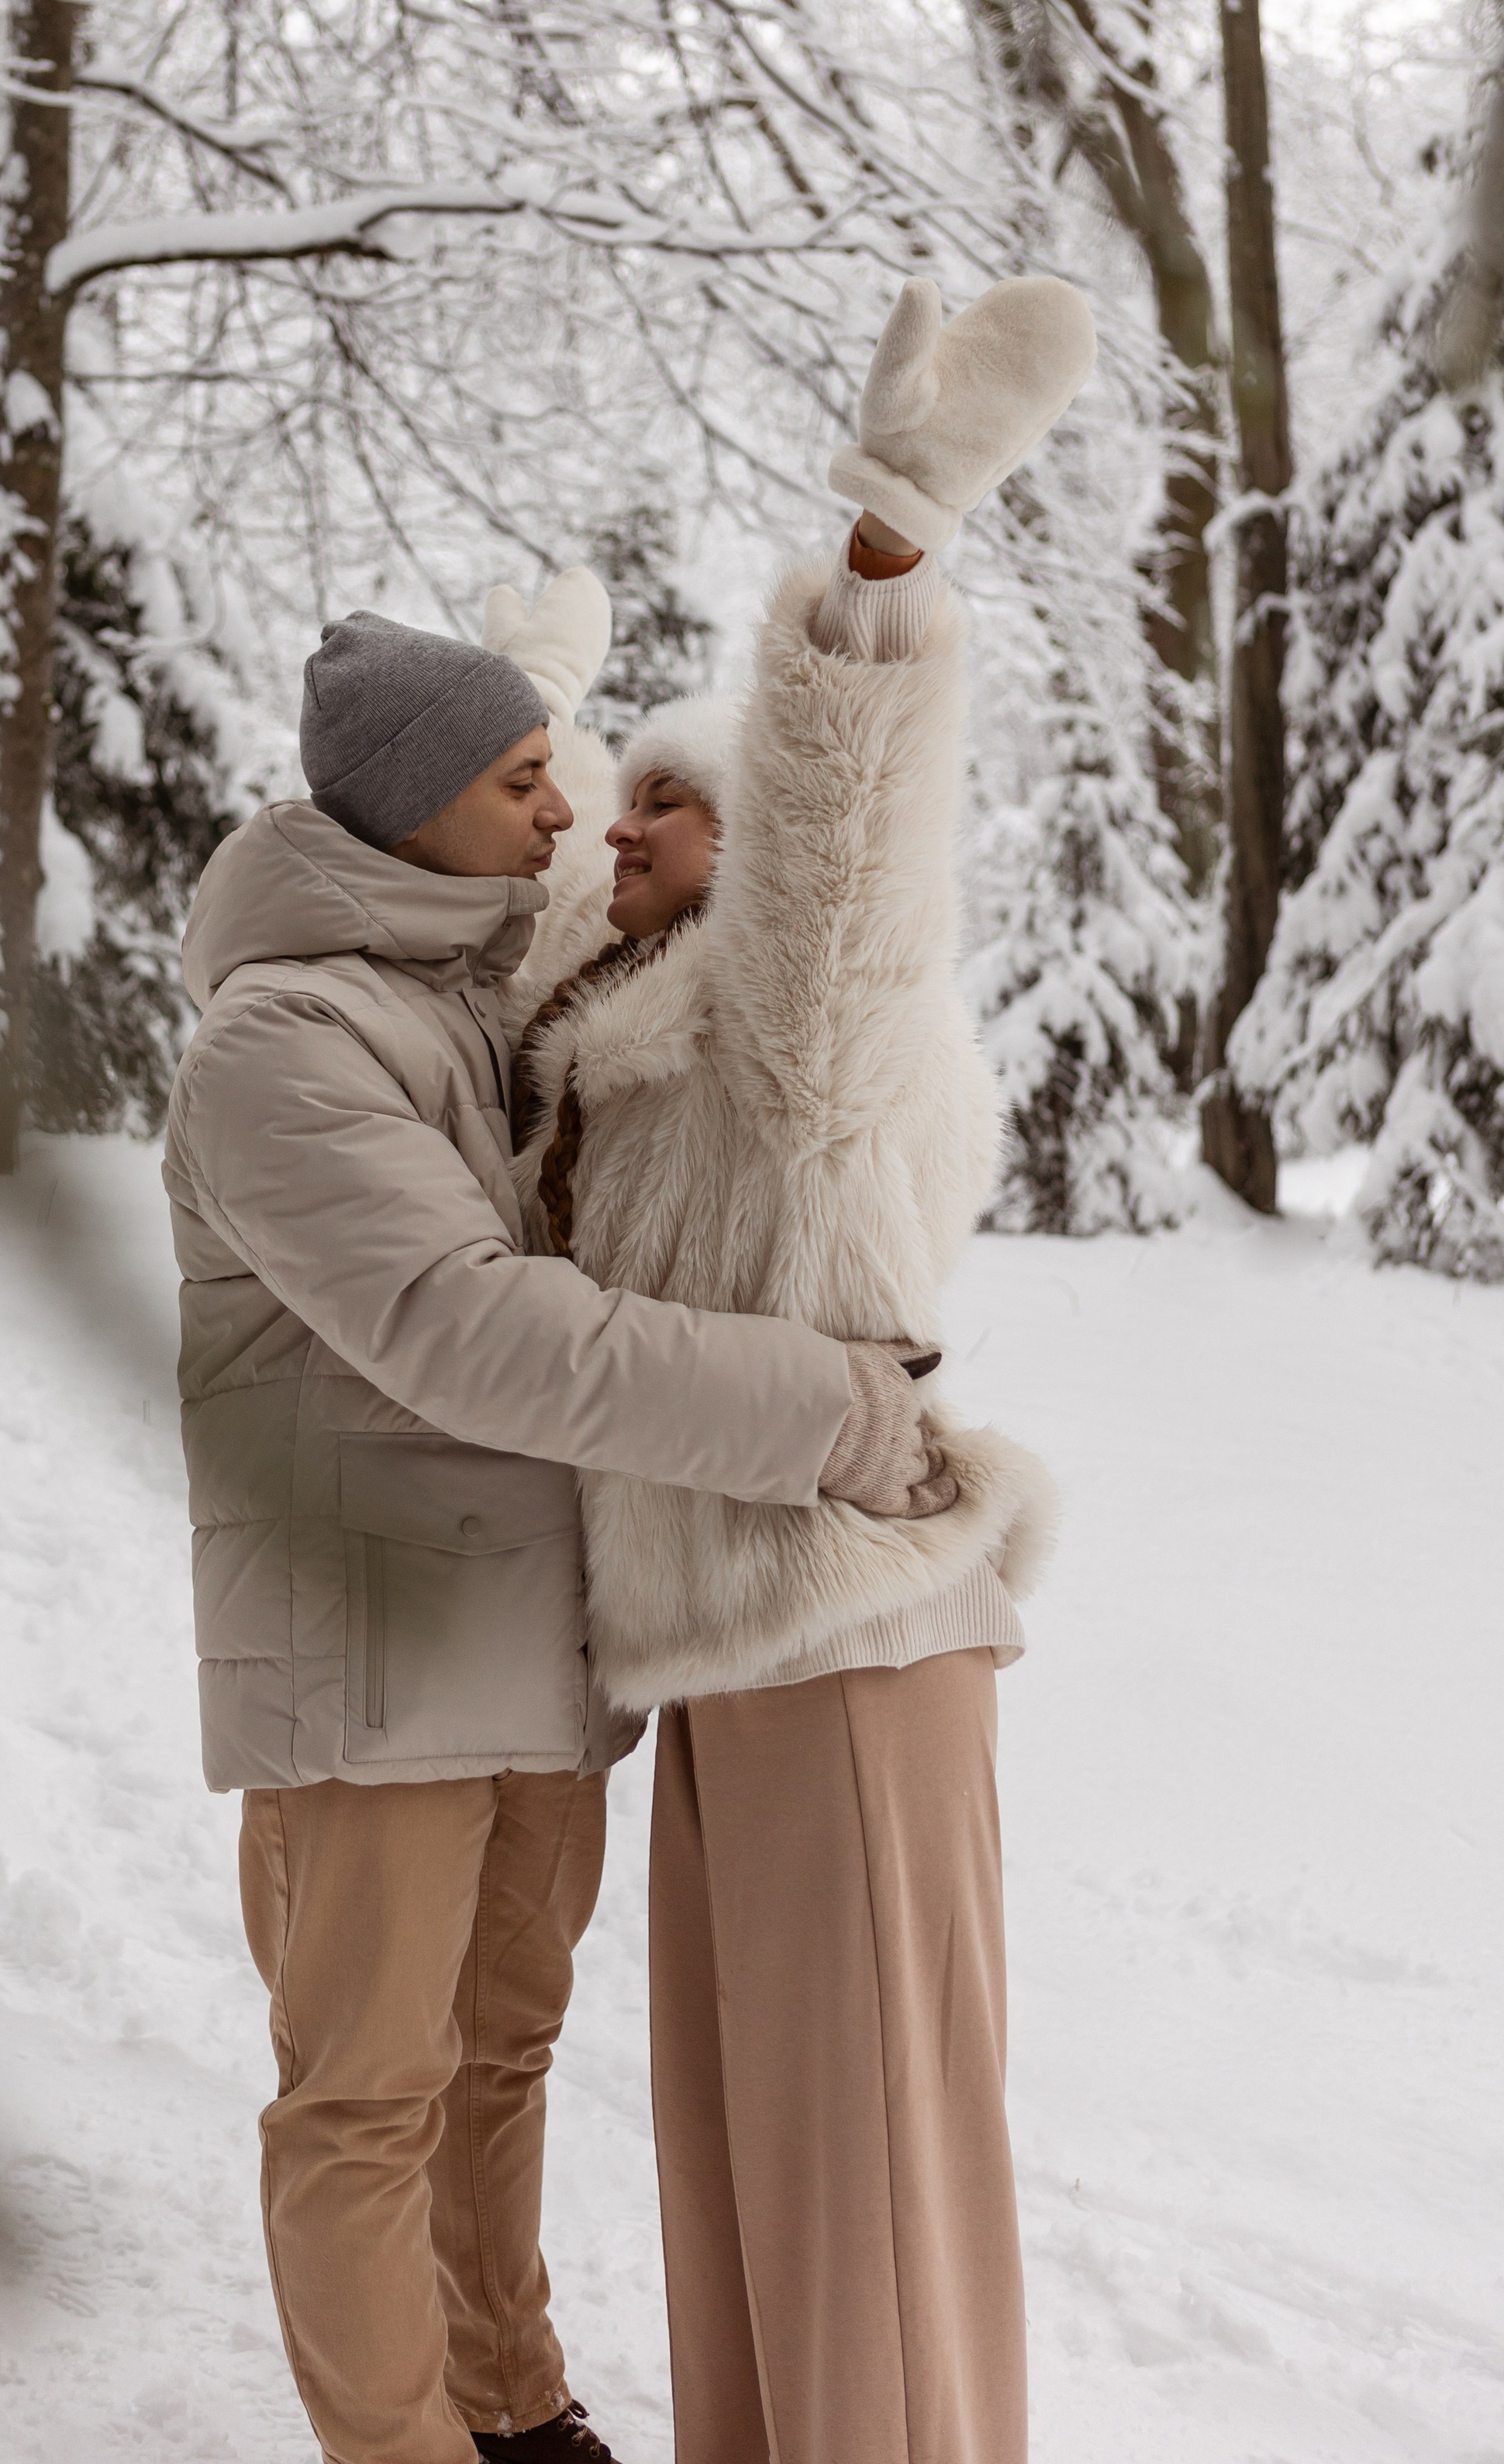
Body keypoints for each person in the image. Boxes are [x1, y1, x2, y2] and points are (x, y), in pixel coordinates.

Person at [162, 600, 956, 2464]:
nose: (558, 816)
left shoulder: (467, 1001)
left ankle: (510, 2409)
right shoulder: (280, 1045)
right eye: (522, 781)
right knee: (364, 2098)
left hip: (526, 1645)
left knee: (498, 2058)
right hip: (370, 1660)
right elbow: (472, 1333)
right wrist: (823, 1408)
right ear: (412, 805)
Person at [501, 274, 1094, 2464]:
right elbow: (526, 902)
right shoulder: (632, 1071)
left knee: (866, 2193)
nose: (617, 827)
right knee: (745, 2181)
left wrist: (882, 568)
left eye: (663, 803)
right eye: (614, 803)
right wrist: (519, 706)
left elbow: (843, 857)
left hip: (848, 1650)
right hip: (724, 1673)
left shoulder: (804, 1039)